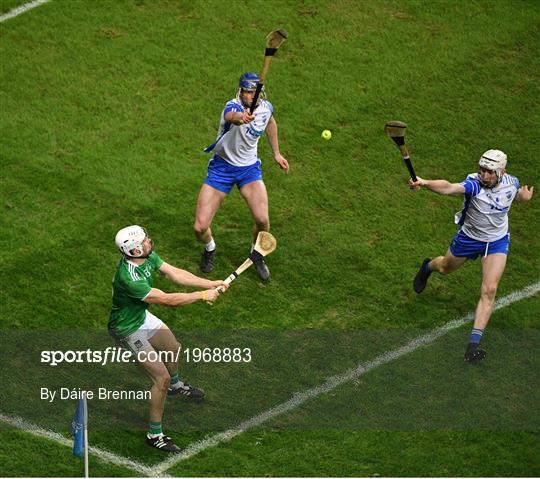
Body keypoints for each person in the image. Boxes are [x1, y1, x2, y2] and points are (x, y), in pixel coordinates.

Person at [109, 225, 228, 452]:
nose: (149, 241)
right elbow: (168, 300)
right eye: (144, 241)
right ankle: (155, 435)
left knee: (173, 347)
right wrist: (202, 296)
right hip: (127, 329)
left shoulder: (146, 256)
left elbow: (175, 273)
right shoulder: (129, 278)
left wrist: (210, 283)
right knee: (159, 379)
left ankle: (176, 386)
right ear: (134, 251)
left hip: (139, 316)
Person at [409, 149, 533, 362]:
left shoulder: (511, 182)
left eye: (490, 172)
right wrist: (426, 183)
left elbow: (515, 194)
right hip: (469, 238)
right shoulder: (474, 185)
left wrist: (524, 197)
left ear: (501, 172)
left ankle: (473, 346)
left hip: (496, 241)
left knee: (489, 289)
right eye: (482, 170)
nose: (485, 175)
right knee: (445, 268)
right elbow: (449, 187)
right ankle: (428, 266)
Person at [194, 72, 289, 281]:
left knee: (263, 220)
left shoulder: (266, 108)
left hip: (249, 170)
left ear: (259, 93)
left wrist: (276, 153)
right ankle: (210, 248)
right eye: (246, 92)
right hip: (222, 168)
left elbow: (271, 123)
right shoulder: (233, 106)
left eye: (252, 92)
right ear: (240, 91)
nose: (248, 96)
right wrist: (241, 118)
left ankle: (256, 255)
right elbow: (232, 117)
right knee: (200, 227)